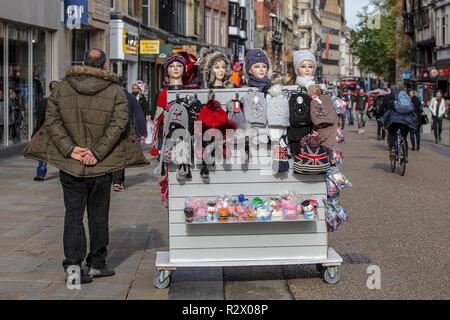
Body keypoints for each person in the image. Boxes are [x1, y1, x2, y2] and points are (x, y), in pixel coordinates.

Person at [23, 48, 148, 285]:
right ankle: (97, 265)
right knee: (98, 216)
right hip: (101, 165)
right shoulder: (115, 91)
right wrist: (96, 152)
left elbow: (52, 121)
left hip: (71, 164)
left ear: (82, 63)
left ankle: (73, 268)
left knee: (73, 216)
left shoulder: (62, 87)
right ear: (104, 66)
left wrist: (71, 149)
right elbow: (120, 123)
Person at [113, 78, 147, 192]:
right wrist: (143, 132)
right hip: (126, 128)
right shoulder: (131, 97)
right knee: (122, 154)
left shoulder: (109, 96)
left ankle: (114, 180)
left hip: (110, 129)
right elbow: (139, 115)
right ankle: (118, 181)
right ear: (126, 86)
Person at [381, 85, 418, 162]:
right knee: (404, 137)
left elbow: (386, 109)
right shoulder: (407, 98)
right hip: (407, 121)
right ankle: (405, 156)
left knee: (391, 133)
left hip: (395, 120)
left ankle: (393, 148)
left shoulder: (391, 97)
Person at [32, 80, 59, 181]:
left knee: (43, 154)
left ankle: (40, 174)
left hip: (46, 131)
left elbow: (40, 118)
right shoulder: (63, 102)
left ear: (49, 89)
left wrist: (36, 132)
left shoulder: (44, 102)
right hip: (60, 132)